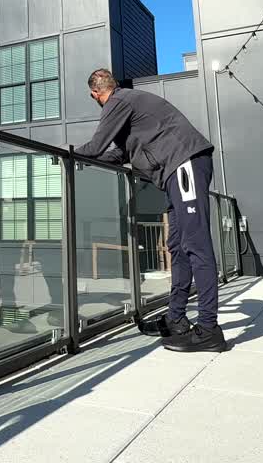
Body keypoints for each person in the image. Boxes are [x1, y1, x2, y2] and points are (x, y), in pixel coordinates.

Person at [74, 69, 228, 353]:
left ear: (95, 94)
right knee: (178, 247)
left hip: (184, 162)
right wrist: (92, 159)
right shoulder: (128, 108)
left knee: (196, 244)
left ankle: (209, 330)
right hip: (174, 172)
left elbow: (95, 146)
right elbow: (120, 154)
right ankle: (176, 319)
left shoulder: (118, 102)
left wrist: (69, 152)